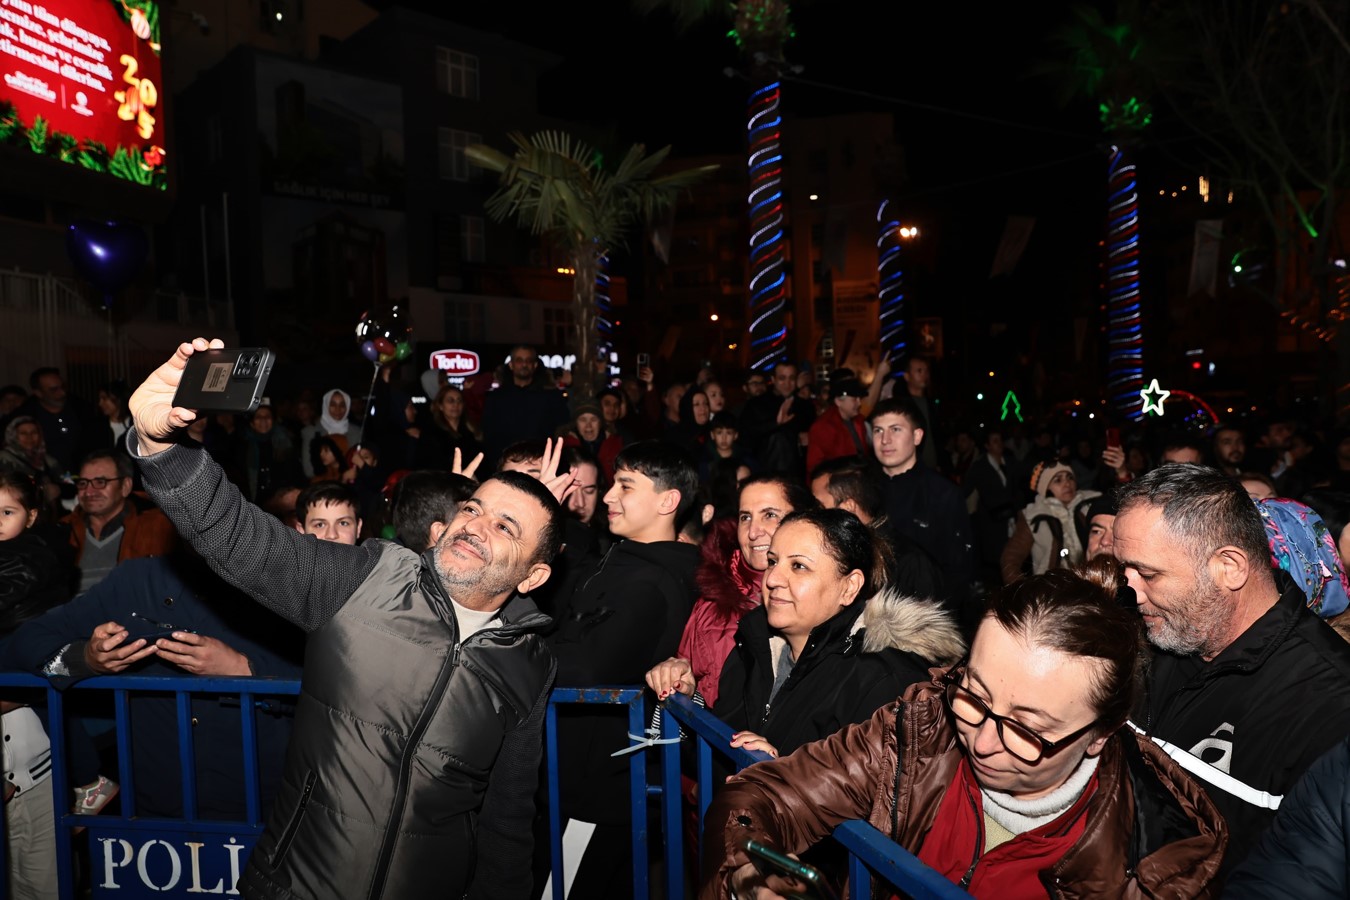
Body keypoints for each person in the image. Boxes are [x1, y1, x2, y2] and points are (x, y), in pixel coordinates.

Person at [122, 337, 570, 900]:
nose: (476, 525)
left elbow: (507, 827)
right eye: (473, 508)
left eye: (506, 527)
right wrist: (161, 447)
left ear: (533, 578)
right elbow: (237, 537)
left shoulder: (529, 664)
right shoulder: (366, 578)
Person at [700, 559, 1227, 899]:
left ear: (1101, 734)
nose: (982, 739)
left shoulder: (1159, 864)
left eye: (1027, 728)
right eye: (975, 695)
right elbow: (764, 792)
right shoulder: (924, 724)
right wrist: (749, 868)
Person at [1114, 464, 1350, 874]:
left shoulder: (1332, 704)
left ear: (1230, 567)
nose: (1130, 592)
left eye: (1148, 573)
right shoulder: (1152, 639)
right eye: (1125, 571)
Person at [545, 440, 701, 897]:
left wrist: (503, 654)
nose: (610, 496)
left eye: (625, 486)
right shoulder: (625, 557)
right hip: (576, 778)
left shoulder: (651, 581)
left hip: (593, 791)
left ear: (667, 502)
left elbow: (589, 668)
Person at [685, 508, 963, 761]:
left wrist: (780, 774)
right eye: (773, 561)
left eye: (798, 566)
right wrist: (686, 696)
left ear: (849, 587)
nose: (772, 579)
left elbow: (866, 802)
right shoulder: (754, 646)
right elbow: (715, 753)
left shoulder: (882, 683)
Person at [648, 475, 817, 711]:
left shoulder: (823, 596)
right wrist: (677, 674)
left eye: (770, 515)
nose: (753, 531)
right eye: (745, 517)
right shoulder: (712, 600)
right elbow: (692, 682)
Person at [61, 449, 177, 594]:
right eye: (83, 483)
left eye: (100, 482)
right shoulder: (63, 530)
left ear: (125, 486)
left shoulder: (157, 527)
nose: (89, 492)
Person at [999, 461, 1101, 584]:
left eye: (1070, 478)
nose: (1067, 484)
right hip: (1053, 590)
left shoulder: (1090, 504)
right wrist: (1023, 590)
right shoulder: (1033, 516)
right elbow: (1010, 558)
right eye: (1058, 480)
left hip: (1090, 583)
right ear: (1045, 487)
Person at [480, 344, 570, 471]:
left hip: (541, 465)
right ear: (511, 365)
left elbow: (561, 431)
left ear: (535, 365)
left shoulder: (551, 397)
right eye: (519, 360)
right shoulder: (495, 398)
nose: (524, 364)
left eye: (528, 360)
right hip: (505, 466)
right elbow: (489, 435)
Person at [804, 375, 870, 475]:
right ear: (838, 401)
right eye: (854, 399)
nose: (859, 403)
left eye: (859, 398)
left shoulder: (859, 420)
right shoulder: (823, 427)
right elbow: (815, 467)